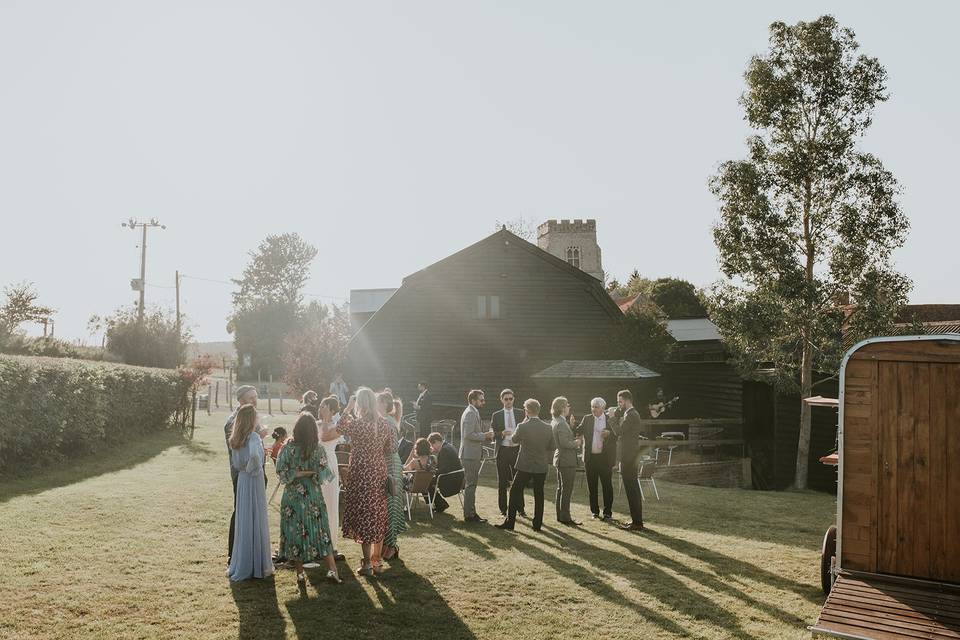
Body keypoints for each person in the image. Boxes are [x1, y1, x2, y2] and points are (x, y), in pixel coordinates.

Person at [276, 413, 342, 586]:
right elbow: (325, 474)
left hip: (292, 496)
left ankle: (300, 575)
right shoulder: (317, 448)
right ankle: (332, 570)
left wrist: (296, 473)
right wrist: (309, 473)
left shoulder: (287, 447)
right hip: (312, 495)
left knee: (295, 532)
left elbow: (281, 473)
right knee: (321, 531)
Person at [335, 388, 394, 576]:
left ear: (360, 404)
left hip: (361, 471)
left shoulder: (358, 425)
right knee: (376, 513)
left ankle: (367, 563)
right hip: (378, 469)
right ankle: (376, 562)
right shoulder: (385, 425)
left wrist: (347, 408)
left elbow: (339, 428)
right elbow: (390, 447)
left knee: (364, 515)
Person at [226, 404, 273, 581]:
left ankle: (243, 560)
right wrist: (254, 468)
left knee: (245, 517)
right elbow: (254, 457)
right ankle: (257, 563)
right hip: (254, 479)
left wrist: (245, 468)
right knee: (257, 516)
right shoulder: (253, 437)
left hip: (243, 480)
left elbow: (236, 462)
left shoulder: (236, 438)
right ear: (251, 419)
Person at [496, 399, 554, 532]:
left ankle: (510, 522)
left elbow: (514, 439)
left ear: (527, 411)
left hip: (525, 465)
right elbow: (552, 446)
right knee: (539, 494)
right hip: (540, 465)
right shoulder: (548, 427)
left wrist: (522, 423)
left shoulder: (522, 426)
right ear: (538, 410)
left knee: (515, 491)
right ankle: (537, 524)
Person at [609, 389, 645, 531]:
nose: (618, 404)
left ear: (627, 400)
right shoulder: (628, 414)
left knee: (632, 489)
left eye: (620, 401)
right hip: (628, 456)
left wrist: (611, 418)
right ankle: (636, 521)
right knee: (631, 488)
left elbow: (618, 432)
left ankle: (637, 522)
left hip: (629, 457)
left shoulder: (631, 415)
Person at [577, 397, 618, 520]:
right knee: (592, 486)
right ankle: (594, 511)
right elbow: (579, 430)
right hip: (590, 458)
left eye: (596, 407)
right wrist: (573, 425)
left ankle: (607, 512)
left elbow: (617, 436)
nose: (593, 409)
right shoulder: (587, 418)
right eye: (592, 406)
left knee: (607, 486)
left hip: (605, 458)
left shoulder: (610, 420)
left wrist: (609, 434)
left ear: (603, 408)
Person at [378, 391, 407, 561]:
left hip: (391, 464)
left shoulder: (387, 421)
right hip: (386, 463)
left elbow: (392, 447)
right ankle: (387, 545)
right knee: (387, 504)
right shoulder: (386, 420)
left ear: (382, 403)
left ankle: (391, 545)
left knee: (391, 505)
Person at [317, 396, 346, 561]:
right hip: (315, 466)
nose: (320, 408)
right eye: (320, 405)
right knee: (317, 504)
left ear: (332, 410)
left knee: (330, 504)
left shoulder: (336, 426)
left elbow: (325, 437)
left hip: (329, 465)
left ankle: (331, 546)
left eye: (324, 406)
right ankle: (317, 543)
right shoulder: (315, 424)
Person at [491, 389, 526, 518]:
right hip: (503, 450)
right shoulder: (497, 415)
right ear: (502, 400)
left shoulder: (521, 413)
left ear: (513, 399)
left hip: (517, 449)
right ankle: (503, 509)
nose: (508, 401)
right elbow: (493, 434)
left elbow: (525, 431)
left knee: (519, 481)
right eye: (506, 399)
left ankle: (520, 508)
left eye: (510, 399)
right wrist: (501, 433)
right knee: (502, 481)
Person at [459, 389, 492, 523]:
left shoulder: (473, 411)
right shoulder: (470, 413)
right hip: (469, 455)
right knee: (471, 485)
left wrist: (484, 436)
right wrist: (485, 436)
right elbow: (468, 434)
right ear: (473, 400)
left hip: (471, 454)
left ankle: (471, 513)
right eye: (481, 400)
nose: (484, 402)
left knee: (471, 485)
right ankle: (470, 515)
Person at [551, 396, 581, 526]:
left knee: (561, 488)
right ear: (562, 408)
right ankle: (565, 517)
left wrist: (572, 426)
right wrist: (577, 442)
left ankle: (561, 515)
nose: (569, 407)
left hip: (561, 459)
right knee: (566, 489)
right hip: (566, 459)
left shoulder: (558, 421)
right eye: (567, 405)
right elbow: (564, 443)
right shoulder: (561, 423)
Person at [428, 432, 463, 514]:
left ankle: (440, 504)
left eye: (432, 445)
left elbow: (444, 469)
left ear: (436, 441)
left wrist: (433, 472)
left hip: (451, 480)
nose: (432, 448)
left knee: (425, 482)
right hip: (456, 477)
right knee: (428, 481)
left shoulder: (445, 450)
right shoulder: (448, 446)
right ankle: (439, 504)